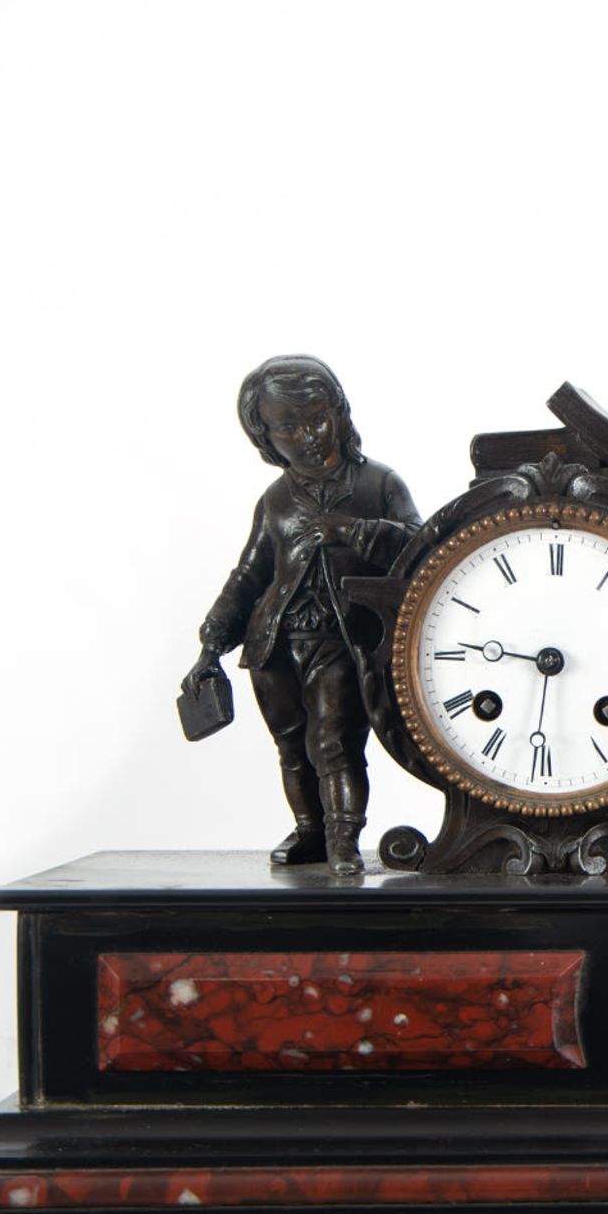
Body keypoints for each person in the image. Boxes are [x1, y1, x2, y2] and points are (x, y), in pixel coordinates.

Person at [182, 355, 419, 875]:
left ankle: (343, 840)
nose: (308, 436)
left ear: (339, 411)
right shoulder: (276, 500)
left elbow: (423, 553)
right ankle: (310, 830)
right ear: (265, 436)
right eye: (288, 427)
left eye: (317, 419)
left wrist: (355, 532)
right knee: (292, 746)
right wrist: (211, 644)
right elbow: (248, 575)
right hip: (274, 643)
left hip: (344, 638)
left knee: (334, 741)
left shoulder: (378, 483)